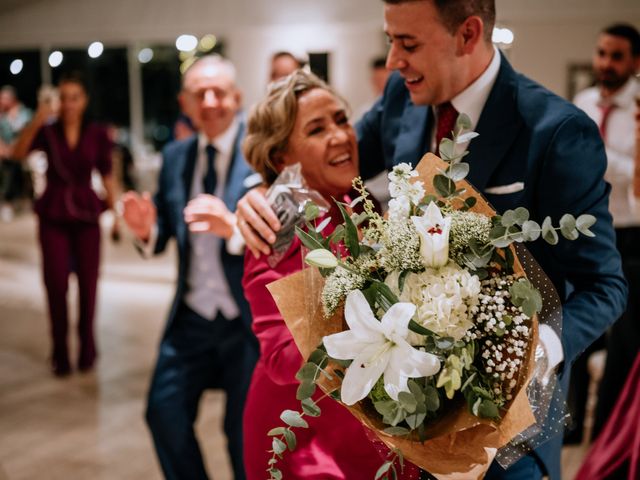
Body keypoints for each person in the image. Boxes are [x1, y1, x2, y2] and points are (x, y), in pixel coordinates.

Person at [235, 1, 627, 479]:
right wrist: (259, 194)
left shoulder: (557, 131)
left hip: (509, 433)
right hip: (408, 427)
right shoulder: (402, 100)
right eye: (390, 40)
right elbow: (313, 157)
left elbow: (605, 286)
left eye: (409, 43)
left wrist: (534, 350)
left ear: (467, 34)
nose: (394, 61)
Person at [239, 69, 420, 480]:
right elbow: (280, 359)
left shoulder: (359, 202)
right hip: (306, 439)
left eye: (341, 120)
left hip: (374, 432)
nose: (341, 135)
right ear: (280, 157)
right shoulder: (279, 224)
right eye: (317, 129)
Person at [120, 55, 258, 480]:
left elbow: (282, 234)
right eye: (200, 93)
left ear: (237, 98)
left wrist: (232, 226)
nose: (210, 101)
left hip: (246, 321)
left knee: (243, 435)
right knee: (163, 414)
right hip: (192, 316)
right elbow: (163, 226)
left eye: (219, 92)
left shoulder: (260, 153)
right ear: (185, 101)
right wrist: (147, 230)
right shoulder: (176, 155)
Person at [12, 73, 117, 376]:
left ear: (84, 101)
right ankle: (59, 350)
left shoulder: (97, 133)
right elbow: (17, 154)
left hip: (86, 212)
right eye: (64, 97)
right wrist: (37, 120)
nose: (69, 104)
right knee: (55, 284)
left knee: (89, 283)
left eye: (75, 97)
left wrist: (117, 217)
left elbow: (108, 174)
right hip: (54, 213)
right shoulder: (47, 130)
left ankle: (87, 347)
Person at [573, 23, 640, 439]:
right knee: (579, 325)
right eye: (601, 53)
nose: (606, 64)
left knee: (626, 338)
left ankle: (608, 436)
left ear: (634, 61)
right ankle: (574, 425)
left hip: (633, 232)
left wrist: (602, 158)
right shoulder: (581, 101)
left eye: (616, 56)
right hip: (587, 227)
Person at [0, 85, 33, 221]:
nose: (1, 101)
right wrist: (3, 149)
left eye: (3, 98)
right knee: (9, 163)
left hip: (25, 150)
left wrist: (15, 148)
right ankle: (10, 200)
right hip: (9, 152)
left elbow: (27, 134)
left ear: (12, 99)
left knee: (14, 163)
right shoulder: (2, 117)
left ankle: (11, 200)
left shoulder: (25, 113)